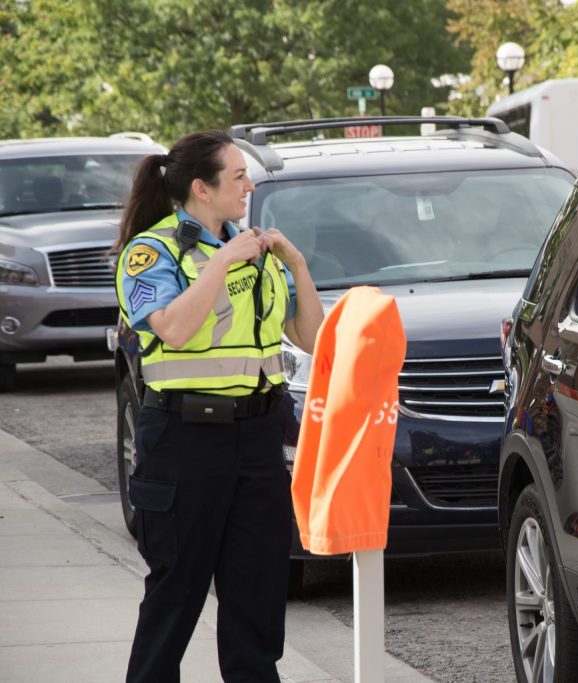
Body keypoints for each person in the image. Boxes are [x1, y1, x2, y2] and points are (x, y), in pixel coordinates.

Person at [112, 130, 324, 682]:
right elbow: (175, 329)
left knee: (257, 598)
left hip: (258, 440)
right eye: (237, 177)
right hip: (184, 441)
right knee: (175, 598)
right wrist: (222, 260)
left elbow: (310, 338)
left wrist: (297, 266)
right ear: (201, 189)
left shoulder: (258, 251)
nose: (248, 185)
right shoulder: (151, 251)